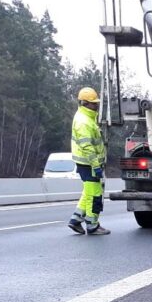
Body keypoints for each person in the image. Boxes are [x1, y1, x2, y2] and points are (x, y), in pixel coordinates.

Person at [68, 87, 109, 236]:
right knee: (95, 195)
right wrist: (96, 166)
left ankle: (76, 219)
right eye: (93, 103)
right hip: (89, 164)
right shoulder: (83, 122)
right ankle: (92, 225)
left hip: (87, 163)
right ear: (85, 103)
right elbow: (87, 147)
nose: (96, 105)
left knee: (88, 192)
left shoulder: (86, 117)